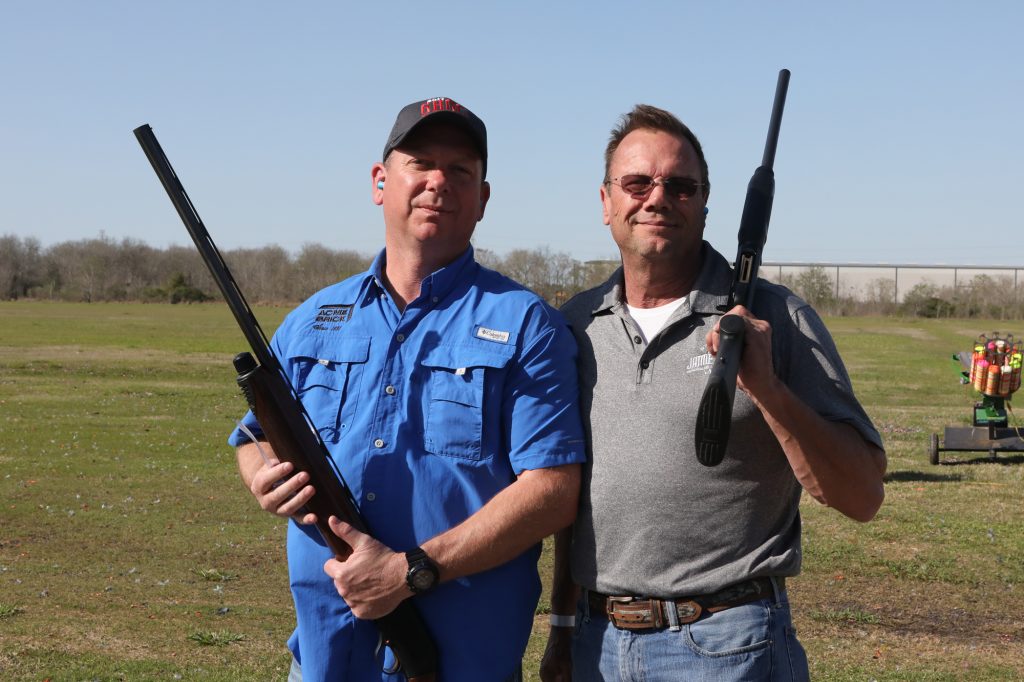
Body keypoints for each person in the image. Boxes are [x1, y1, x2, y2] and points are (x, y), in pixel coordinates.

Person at [229, 97, 586, 682]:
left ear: (483, 199)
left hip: (461, 663)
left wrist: (410, 571)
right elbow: (253, 437)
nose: (438, 181)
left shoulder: (528, 325)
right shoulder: (313, 318)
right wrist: (261, 475)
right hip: (325, 657)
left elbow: (551, 490)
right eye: (420, 163)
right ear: (380, 181)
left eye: (460, 170)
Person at [540, 104, 887, 681]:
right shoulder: (575, 325)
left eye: (681, 186)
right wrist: (562, 626)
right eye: (637, 183)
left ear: (705, 203)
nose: (658, 199)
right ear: (606, 201)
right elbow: (571, 496)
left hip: (727, 645)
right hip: (597, 646)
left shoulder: (777, 318)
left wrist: (766, 387)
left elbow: (862, 495)